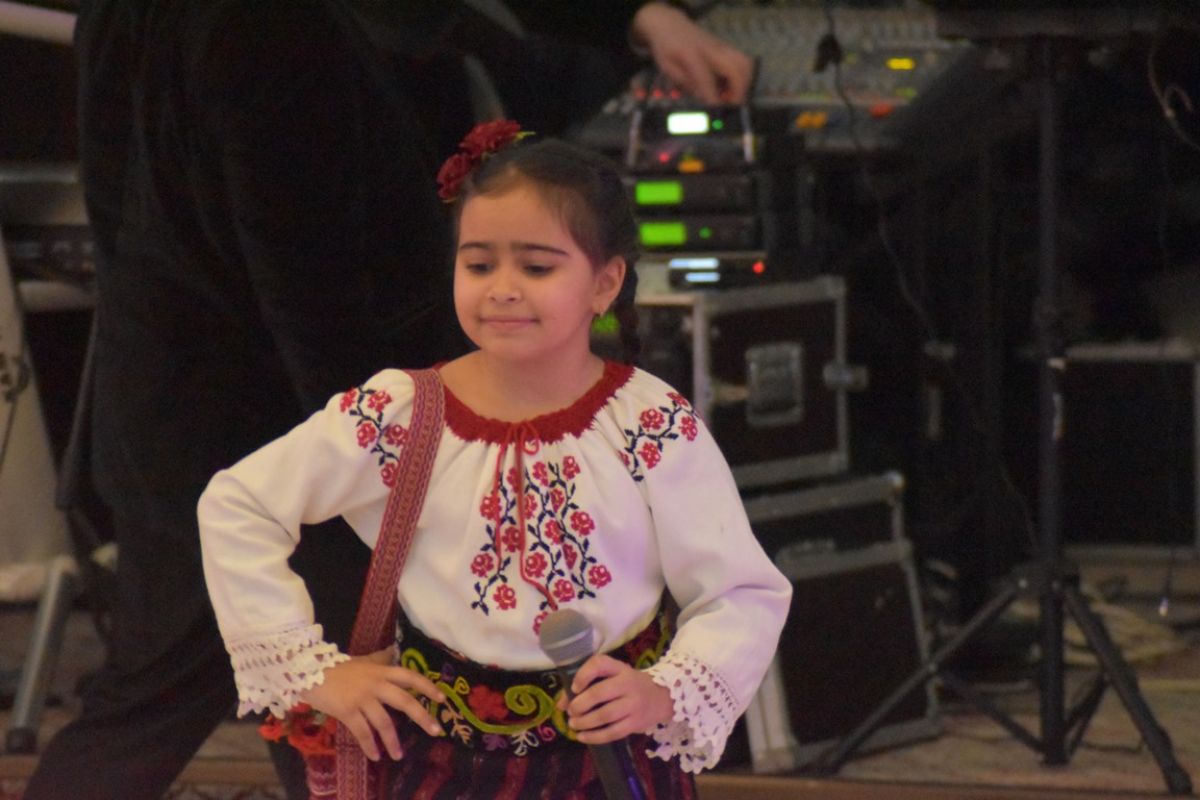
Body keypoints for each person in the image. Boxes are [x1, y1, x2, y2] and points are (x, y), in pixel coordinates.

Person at [27, 2, 757, 798]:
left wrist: (638, 17)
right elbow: (304, 272)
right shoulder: (275, 27)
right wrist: (410, 433)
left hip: (166, 412)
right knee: (308, 715)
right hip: (297, 434)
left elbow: (123, 213)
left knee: (198, 707)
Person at [197, 123, 792, 797]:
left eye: (536, 268)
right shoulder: (401, 413)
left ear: (604, 284)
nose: (502, 288)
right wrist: (316, 672)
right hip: (439, 764)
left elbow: (740, 591)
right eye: (479, 265)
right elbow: (239, 504)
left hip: (613, 764)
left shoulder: (648, 422)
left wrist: (660, 693)